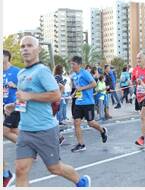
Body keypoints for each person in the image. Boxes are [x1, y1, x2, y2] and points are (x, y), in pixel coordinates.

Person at [4, 36, 90, 187]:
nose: (25, 49)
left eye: (29, 45)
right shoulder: (21, 73)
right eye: (23, 46)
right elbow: (24, 97)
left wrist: (28, 96)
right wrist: (14, 105)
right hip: (25, 130)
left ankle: (81, 182)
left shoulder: (42, 71)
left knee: (54, 168)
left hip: (44, 129)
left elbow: (56, 95)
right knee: (20, 170)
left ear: (38, 49)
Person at [70, 56, 108, 153]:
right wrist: (73, 94)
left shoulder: (85, 73)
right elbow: (77, 88)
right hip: (78, 102)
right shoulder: (74, 75)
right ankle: (81, 144)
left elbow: (94, 84)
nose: (72, 66)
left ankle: (102, 131)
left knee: (90, 123)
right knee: (76, 122)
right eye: (71, 64)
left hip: (88, 102)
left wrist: (82, 88)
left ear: (79, 64)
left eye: (73, 64)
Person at [3, 50, 20, 144]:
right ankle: (34, 143)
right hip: (5, 106)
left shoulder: (17, 71)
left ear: (6, 57)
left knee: (5, 131)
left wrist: (15, 85)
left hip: (16, 104)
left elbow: (28, 88)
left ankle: (29, 148)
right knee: (13, 130)